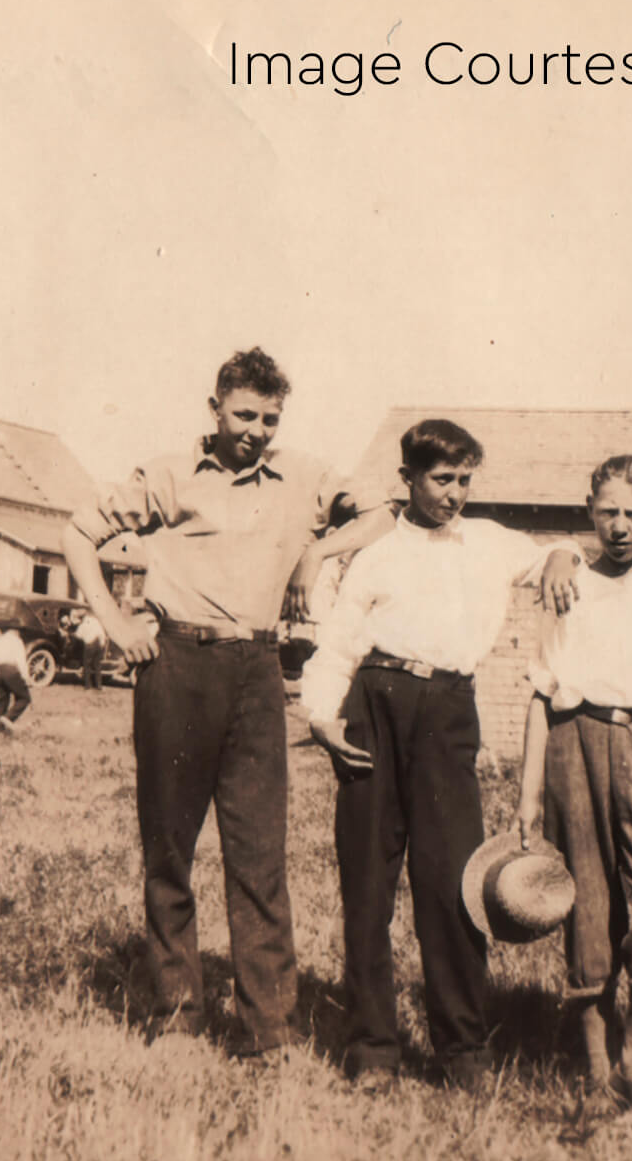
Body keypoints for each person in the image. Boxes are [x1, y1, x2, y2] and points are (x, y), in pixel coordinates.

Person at [59, 347, 396, 1062]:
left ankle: (270, 1027)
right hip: (178, 664)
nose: (257, 429)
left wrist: (318, 553)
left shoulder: (302, 476)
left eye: (270, 418)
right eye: (244, 414)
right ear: (214, 409)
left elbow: (381, 514)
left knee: (260, 852)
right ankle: (177, 1013)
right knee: (169, 847)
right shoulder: (170, 475)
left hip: (257, 670)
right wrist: (117, 626)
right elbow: (77, 534)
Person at [300, 419, 583, 1090]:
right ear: (408, 479)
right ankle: (373, 1046)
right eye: (441, 480)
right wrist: (320, 716)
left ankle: (463, 1048)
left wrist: (568, 553)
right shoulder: (372, 555)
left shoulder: (486, 542)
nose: (454, 494)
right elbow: (338, 645)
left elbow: (553, 553)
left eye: (464, 480)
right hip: (374, 704)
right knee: (367, 884)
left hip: (449, 713)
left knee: (453, 882)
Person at [512, 454, 632, 1111]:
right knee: (586, 898)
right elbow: (542, 690)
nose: (619, 526)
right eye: (606, 512)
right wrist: (528, 796)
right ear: (588, 510)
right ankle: (597, 1068)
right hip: (573, 738)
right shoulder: (566, 582)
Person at [0, 624, 30, 733]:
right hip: (10, 670)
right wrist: (26, 678)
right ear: (16, 632)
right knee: (24, 698)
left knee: (1, 702)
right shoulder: (17, 642)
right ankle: (8, 718)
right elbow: (21, 661)